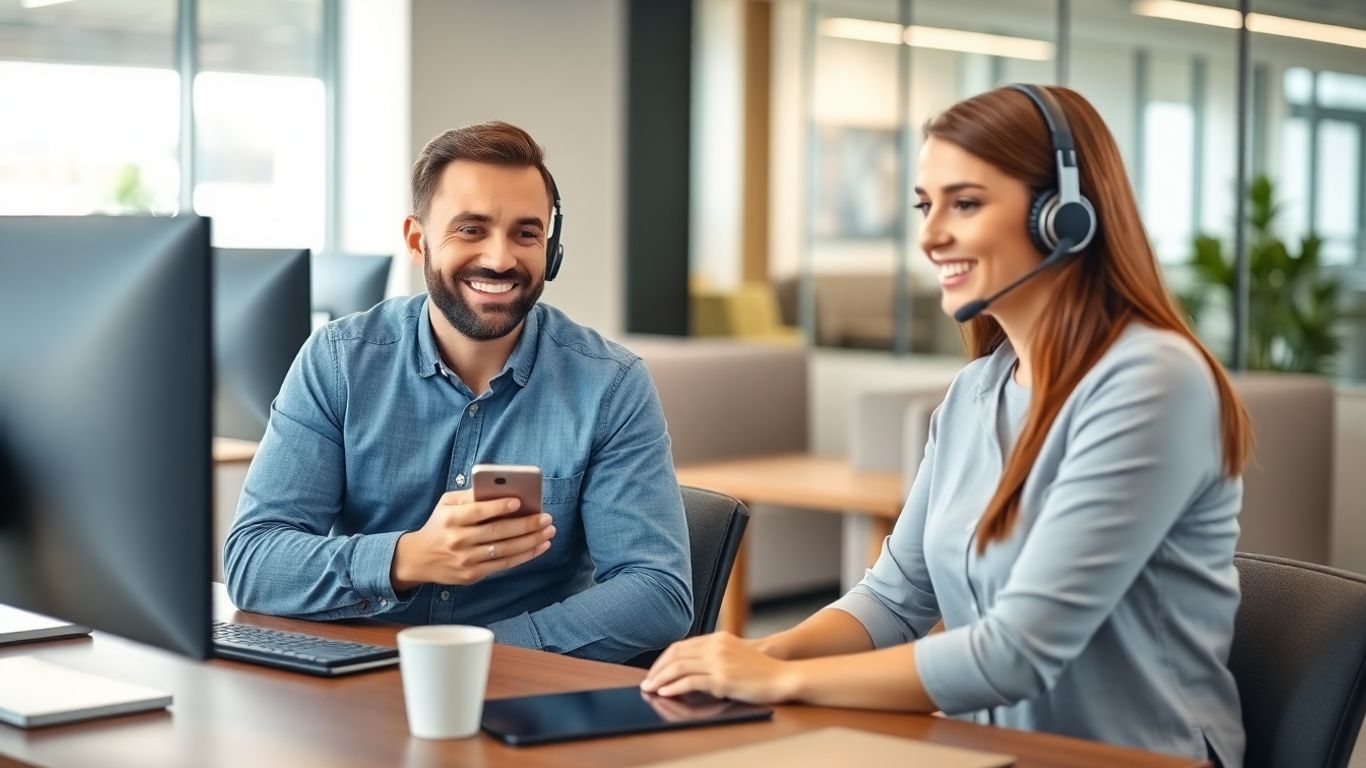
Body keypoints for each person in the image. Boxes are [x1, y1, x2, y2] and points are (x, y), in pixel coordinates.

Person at [641, 84, 1250, 766]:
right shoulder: (974, 392)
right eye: (925, 206)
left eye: (965, 203)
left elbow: (1017, 651)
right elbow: (893, 599)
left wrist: (780, 680)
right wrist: (751, 654)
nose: (930, 236)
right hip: (989, 750)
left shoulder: (1151, 381)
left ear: (1064, 215)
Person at [225, 121, 692, 663]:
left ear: (551, 248)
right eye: (471, 229)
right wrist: (408, 558)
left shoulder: (609, 384)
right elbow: (254, 561)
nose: (499, 259)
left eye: (526, 233)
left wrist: (467, 655)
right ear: (418, 240)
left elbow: (657, 592)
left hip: (521, 686)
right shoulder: (340, 361)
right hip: (357, 679)